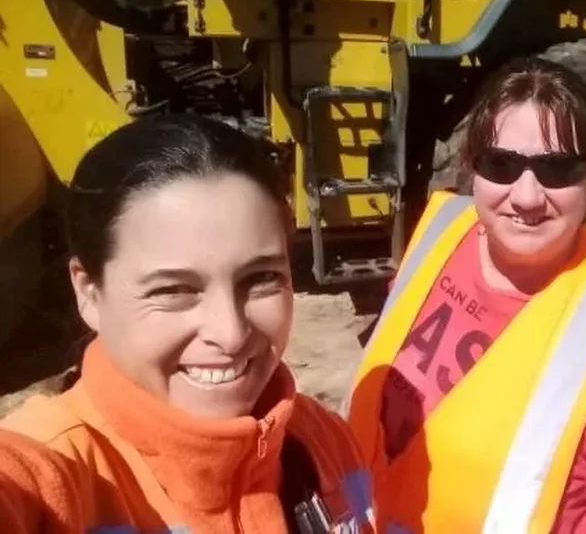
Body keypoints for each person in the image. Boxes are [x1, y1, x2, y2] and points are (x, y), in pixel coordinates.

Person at [346, 56, 586, 533]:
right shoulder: (439, 233)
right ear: (472, 167)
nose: (526, 197)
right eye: (501, 164)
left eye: (557, 169)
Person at [0, 114, 376, 534]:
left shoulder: (324, 441)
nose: (230, 334)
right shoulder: (53, 471)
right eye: (173, 290)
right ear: (88, 293)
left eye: (260, 278)